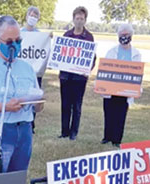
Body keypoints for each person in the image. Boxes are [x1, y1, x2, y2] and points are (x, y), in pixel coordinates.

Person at [0, 15, 44, 176]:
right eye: (9, 42)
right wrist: (6, 107)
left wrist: (38, 103)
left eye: (18, 41)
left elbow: (37, 103)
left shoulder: (27, 68)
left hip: (24, 131)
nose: (15, 46)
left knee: (16, 178)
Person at [100, 24, 141, 147]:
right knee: (109, 112)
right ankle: (107, 136)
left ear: (131, 36)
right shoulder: (111, 51)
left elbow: (137, 72)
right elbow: (105, 69)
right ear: (118, 36)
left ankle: (117, 139)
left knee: (121, 114)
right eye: (122, 35)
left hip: (125, 90)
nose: (124, 37)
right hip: (111, 89)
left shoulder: (136, 54)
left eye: (126, 35)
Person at [59, 6, 96, 140]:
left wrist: (88, 70)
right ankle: (64, 131)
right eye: (77, 18)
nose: (79, 21)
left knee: (77, 106)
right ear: (73, 19)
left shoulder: (89, 37)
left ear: (85, 20)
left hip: (80, 78)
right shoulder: (66, 35)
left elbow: (92, 57)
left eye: (82, 18)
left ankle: (74, 132)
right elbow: (60, 53)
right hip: (65, 77)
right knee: (65, 105)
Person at [21, 6, 44, 134]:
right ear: (26, 16)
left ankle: (31, 123)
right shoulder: (19, 32)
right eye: (31, 14)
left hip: (35, 72)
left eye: (35, 16)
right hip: (21, 72)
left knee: (35, 98)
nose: (33, 17)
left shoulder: (40, 36)